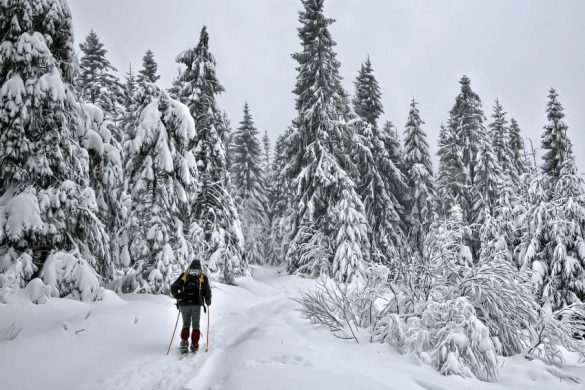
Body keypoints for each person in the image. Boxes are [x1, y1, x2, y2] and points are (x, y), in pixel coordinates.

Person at [170, 259, 212, 353]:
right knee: (196, 325)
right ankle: (194, 344)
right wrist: (208, 300)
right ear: (200, 269)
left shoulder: (184, 275)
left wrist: (179, 296)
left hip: (184, 304)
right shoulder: (202, 277)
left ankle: (184, 342)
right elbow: (207, 291)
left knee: (186, 324)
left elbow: (173, 288)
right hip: (196, 305)